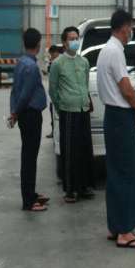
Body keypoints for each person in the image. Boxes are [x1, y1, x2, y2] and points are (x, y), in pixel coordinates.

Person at [97, 9, 135, 249]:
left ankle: (116, 225)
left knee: (116, 172)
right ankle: (125, 232)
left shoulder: (106, 49)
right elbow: (126, 88)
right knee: (127, 173)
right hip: (121, 118)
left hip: (113, 116)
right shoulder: (115, 51)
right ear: (124, 27)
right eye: (131, 27)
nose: (131, 32)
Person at [49, 26, 95, 203]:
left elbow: (85, 84)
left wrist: (85, 101)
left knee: (84, 148)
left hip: (83, 109)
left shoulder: (84, 62)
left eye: (77, 38)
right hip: (68, 111)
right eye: (71, 38)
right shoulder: (57, 64)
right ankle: (70, 189)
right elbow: (53, 90)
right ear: (64, 42)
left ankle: (84, 186)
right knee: (70, 151)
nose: (75, 41)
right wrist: (61, 106)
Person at [9, 28, 50, 212]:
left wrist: (14, 111)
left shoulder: (21, 63)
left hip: (24, 114)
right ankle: (28, 201)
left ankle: (31, 194)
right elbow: (25, 95)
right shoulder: (32, 67)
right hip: (31, 115)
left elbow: (15, 91)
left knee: (29, 156)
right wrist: (16, 113)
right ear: (38, 44)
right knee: (29, 158)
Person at [46, 44, 63, 139]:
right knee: (53, 115)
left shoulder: (59, 62)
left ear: (56, 53)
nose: (51, 56)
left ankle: (57, 132)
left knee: (57, 116)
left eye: (52, 54)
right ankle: (54, 131)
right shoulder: (52, 62)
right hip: (53, 95)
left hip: (58, 95)